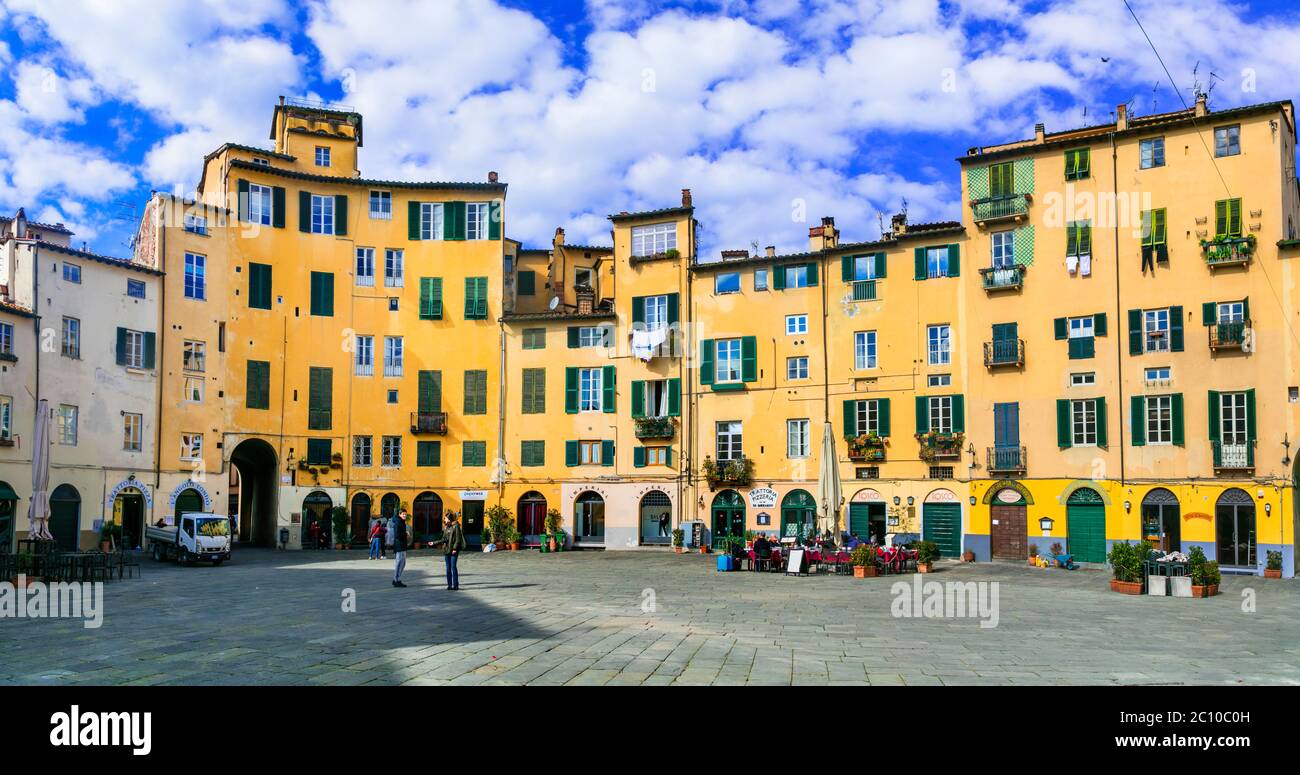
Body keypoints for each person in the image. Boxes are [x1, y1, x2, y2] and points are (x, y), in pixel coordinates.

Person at [438, 513, 466, 590]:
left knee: (453, 567)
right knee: (448, 568)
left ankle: (456, 585)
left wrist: (455, 549)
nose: (444, 519)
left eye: (445, 518)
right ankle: (449, 585)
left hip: (454, 550)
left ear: (449, 519)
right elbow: (444, 538)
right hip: (446, 549)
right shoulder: (446, 527)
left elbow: (458, 539)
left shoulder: (456, 526)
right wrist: (434, 543)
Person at [391, 510, 409, 588]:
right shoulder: (398, 522)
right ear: (400, 514)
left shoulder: (401, 522)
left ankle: (397, 578)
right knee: (399, 563)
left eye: (405, 514)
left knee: (403, 562)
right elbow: (397, 534)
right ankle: (396, 580)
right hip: (399, 545)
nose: (404, 515)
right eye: (403, 514)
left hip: (402, 545)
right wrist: (405, 534)